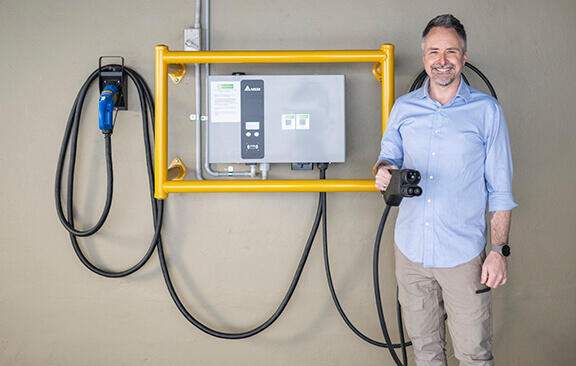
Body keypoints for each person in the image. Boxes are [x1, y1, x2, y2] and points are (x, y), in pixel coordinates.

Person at [373, 14, 517, 366]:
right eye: (434, 52)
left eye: (450, 52)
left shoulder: (487, 112)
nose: (442, 60)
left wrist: (498, 250)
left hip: (463, 255)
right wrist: (382, 171)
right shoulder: (403, 109)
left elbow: (500, 188)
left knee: (474, 355)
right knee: (425, 352)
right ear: (424, 57)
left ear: (463, 57)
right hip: (411, 251)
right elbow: (386, 158)